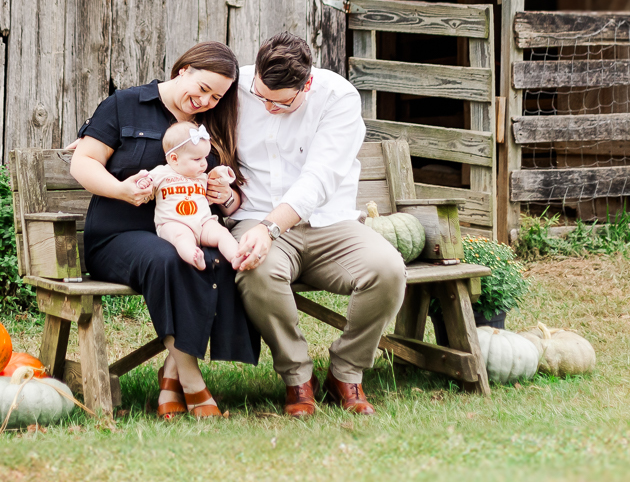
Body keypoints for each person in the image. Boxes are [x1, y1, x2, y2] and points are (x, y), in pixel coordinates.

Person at [68, 42, 257, 418]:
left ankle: (169, 373)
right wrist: (121, 190)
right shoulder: (125, 104)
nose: (205, 101)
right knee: (169, 258)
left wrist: (225, 194)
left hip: (188, 227)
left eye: (216, 96)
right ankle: (190, 379)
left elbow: (230, 198)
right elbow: (83, 162)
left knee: (220, 258)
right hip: (119, 235)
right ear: (183, 70)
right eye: (202, 88)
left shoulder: (210, 126)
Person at [232, 32, 407, 417]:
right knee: (255, 270)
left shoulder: (338, 98)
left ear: (306, 84)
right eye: (262, 96)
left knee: (388, 270)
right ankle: (297, 379)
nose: (268, 106)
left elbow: (319, 179)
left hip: (330, 223)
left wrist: (271, 228)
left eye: (282, 102)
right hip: (255, 218)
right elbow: (178, 97)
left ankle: (346, 371)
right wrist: (99, 135)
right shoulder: (238, 85)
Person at [144, 121, 246, 270]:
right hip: (174, 223)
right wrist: (143, 184)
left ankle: (236, 257)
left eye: (205, 157)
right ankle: (194, 256)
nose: (204, 164)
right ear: (174, 159)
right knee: (182, 238)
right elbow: (144, 183)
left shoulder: (202, 177)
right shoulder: (161, 173)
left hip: (203, 223)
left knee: (222, 233)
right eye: (197, 159)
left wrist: (224, 175)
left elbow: (218, 177)